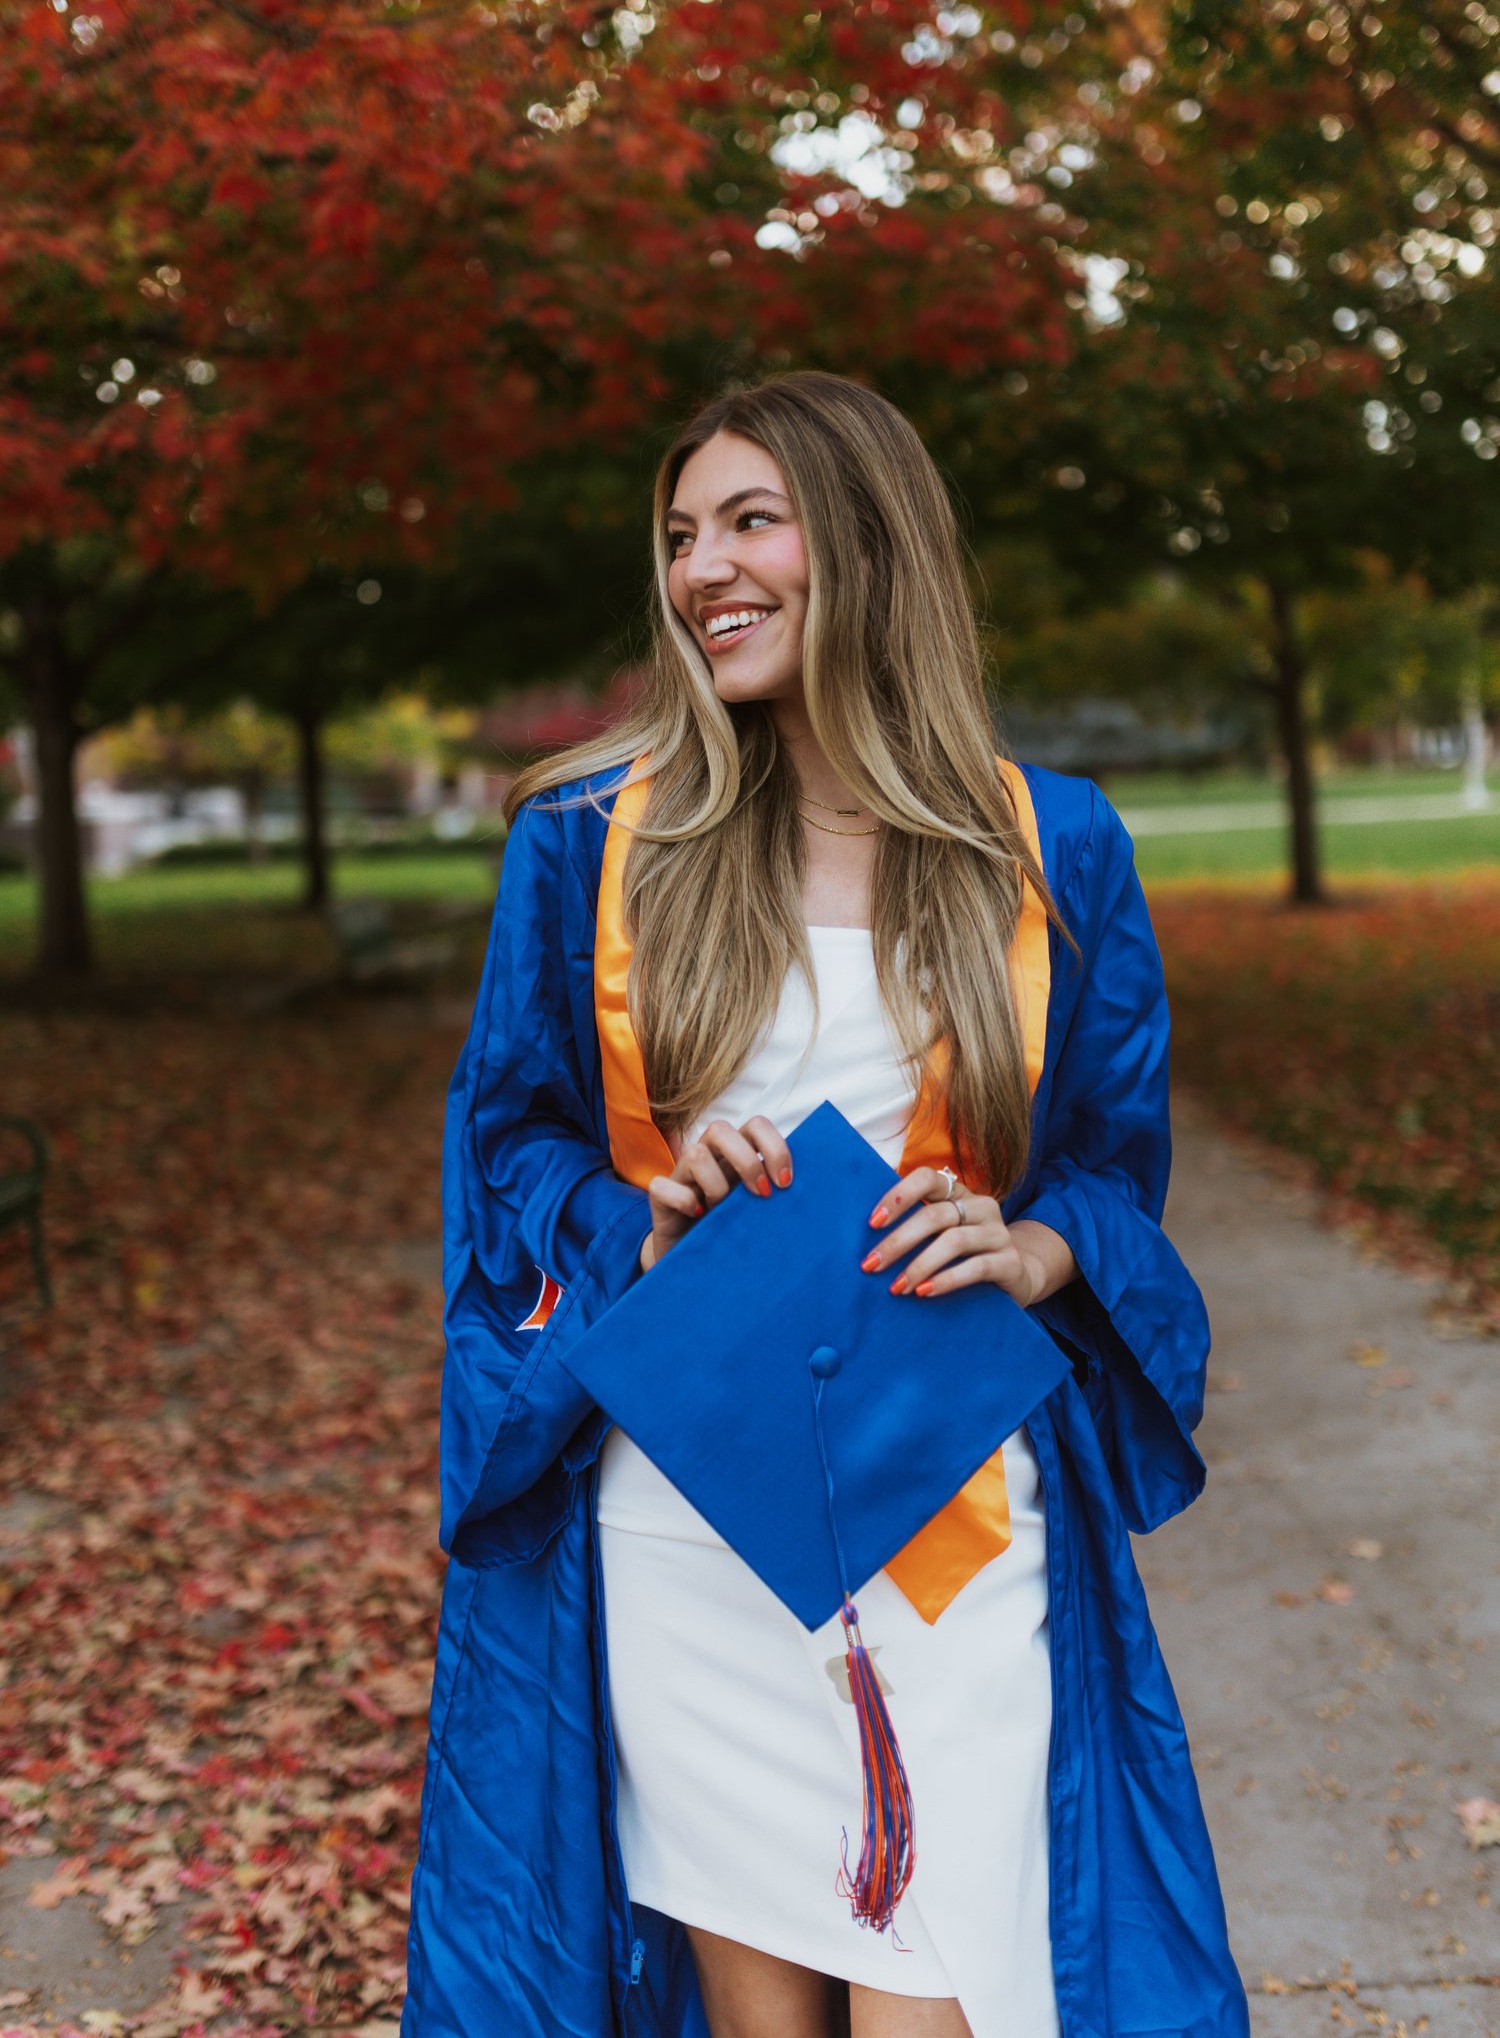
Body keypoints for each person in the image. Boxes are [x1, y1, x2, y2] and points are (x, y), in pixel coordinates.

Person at [402, 373, 1249, 2038]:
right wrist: (637, 1216)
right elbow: (509, 1153)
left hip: (947, 1506)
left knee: (938, 1985)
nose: (699, 567)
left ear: (861, 539)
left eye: (747, 519)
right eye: (677, 536)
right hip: (689, 1504)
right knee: (761, 2008)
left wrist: (1040, 1240)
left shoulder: (1045, 843)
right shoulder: (595, 840)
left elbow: (1106, 1157)